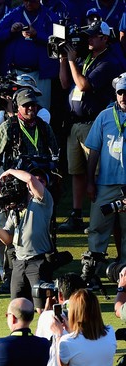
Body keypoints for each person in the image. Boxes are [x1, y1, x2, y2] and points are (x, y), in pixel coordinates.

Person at [58, 20, 123, 233]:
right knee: (76, 171)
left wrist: (71, 61)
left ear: (105, 39)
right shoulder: (86, 57)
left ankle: (98, 215)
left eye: (94, 36)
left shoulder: (110, 60)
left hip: (93, 122)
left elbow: (84, 85)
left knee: (94, 172)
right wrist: (63, 60)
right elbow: (65, 83)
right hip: (75, 123)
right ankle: (77, 214)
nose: (89, 39)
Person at [0, 164, 54, 310]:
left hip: (38, 262)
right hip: (19, 263)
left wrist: (10, 171)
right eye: (36, 179)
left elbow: (29, 178)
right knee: (17, 308)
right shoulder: (16, 207)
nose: (36, 182)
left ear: (46, 185)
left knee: (42, 308)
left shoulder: (44, 201)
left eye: (41, 180)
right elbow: (8, 239)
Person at [84, 75, 126, 278]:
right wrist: (90, 181)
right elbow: (94, 151)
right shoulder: (104, 116)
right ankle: (94, 268)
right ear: (115, 93)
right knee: (98, 227)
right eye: (120, 92)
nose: (124, 96)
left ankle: (125, 270)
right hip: (105, 184)